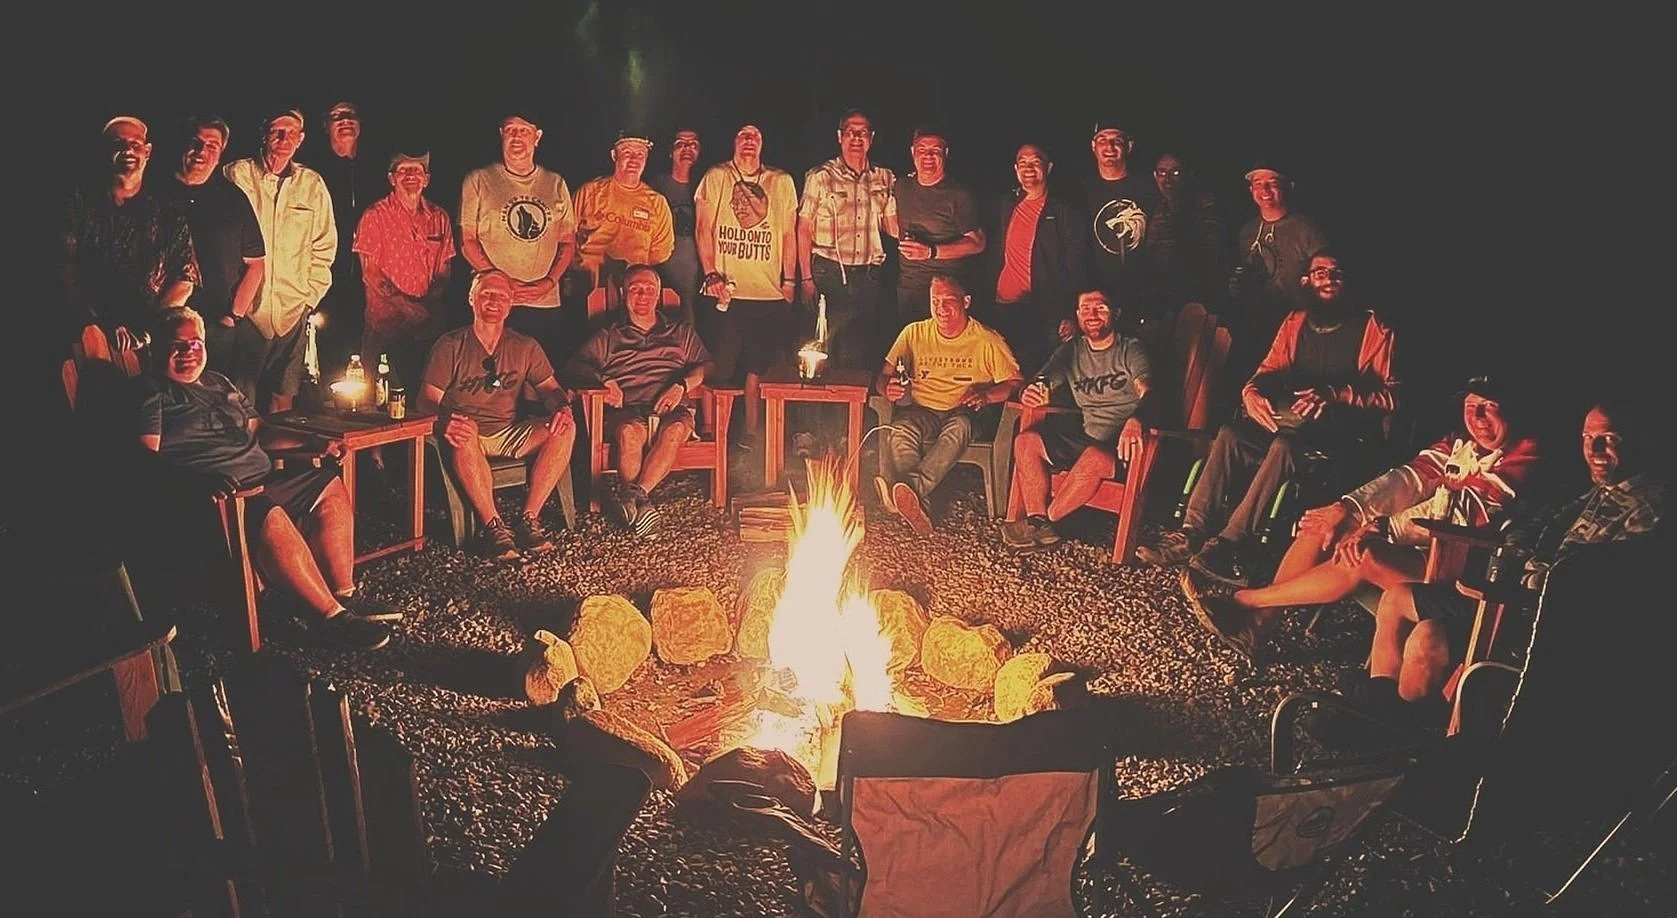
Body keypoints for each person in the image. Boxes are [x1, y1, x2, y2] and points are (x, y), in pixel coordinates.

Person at [1350, 399, 1663, 725]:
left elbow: (1606, 582)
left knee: (1427, 638)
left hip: (1542, 621)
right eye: (1587, 437)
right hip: (1511, 596)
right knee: (1396, 598)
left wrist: (1531, 578)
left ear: (1638, 439)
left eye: (1610, 439)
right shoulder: (1595, 491)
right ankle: (1378, 710)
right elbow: (1528, 529)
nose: (1594, 449)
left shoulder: (1650, 507)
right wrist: (1514, 560)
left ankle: (1400, 731)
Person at [1188, 375, 1543, 662]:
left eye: (1489, 408)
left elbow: (1468, 511)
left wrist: (1382, 528)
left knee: (1363, 555)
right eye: (1471, 407)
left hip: (1461, 574)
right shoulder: (1458, 444)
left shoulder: (1523, 455)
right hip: (1425, 550)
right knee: (1323, 526)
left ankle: (1248, 601)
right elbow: (1406, 480)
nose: (1478, 419)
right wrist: (1349, 509)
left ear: (1511, 410)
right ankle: (1259, 629)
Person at [132, 307, 399, 650]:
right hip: (215, 500)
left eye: (195, 344)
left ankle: (342, 593)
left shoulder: (220, 383)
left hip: (262, 482)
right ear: (158, 350)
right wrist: (195, 482)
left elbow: (260, 431)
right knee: (267, 511)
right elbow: (144, 459)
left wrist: (312, 443)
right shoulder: (150, 393)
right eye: (177, 346)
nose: (187, 353)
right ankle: (332, 619)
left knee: (328, 486)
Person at [1137, 251, 1399, 586]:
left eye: (1337, 273)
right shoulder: (1295, 322)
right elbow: (1268, 370)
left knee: (1283, 446)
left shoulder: (1373, 329)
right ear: (1306, 281)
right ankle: (1190, 533)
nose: (1329, 279)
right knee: (1231, 434)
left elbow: (1392, 397)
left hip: (1339, 435)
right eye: (1320, 273)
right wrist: (1252, 392)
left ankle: (1229, 543)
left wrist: (1338, 394)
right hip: (1291, 420)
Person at [420, 271, 578, 562]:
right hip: (467, 433)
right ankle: (494, 526)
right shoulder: (451, 346)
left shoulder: (524, 346)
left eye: (502, 296)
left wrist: (561, 408)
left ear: (511, 303)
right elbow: (427, 401)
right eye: (486, 294)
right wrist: (445, 422)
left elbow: (551, 390)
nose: (494, 301)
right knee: (466, 430)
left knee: (564, 428)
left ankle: (529, 519)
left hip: (509, 430)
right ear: (472, 299)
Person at [564, 265, 712, 534]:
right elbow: (575, 366)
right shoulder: (610, 335)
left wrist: (681, 385)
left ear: (658, 295)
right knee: (630, 432)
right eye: (636, 289)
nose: (643, 295)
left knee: (676, 429)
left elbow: (706, 367)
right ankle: (641, 506)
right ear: (623, 294)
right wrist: (605, 381)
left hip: (672, 408)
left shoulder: (680, 332)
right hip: (627, 410)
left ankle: (633, 498)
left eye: (649, 290)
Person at [1000, 290, 1150, 550]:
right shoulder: (1072, 350)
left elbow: (1151, 392)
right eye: (1085, 309)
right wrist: (1032, 391)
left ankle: (1048, 523)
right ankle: (1038, 522)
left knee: (1094, 457)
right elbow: (1043, 379)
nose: (1092, 315)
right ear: (1078, 316)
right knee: (1026, 441)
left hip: (1124, 446)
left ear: (1115, 314)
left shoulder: (1130, 350)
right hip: (1085, 436)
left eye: (1100, 308)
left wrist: (1137, 419)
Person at [875, 274, 1022, 536]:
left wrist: (986, 396)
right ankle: (920, 505)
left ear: (966, 302)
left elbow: (1015, 382)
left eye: (948, 301)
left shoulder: (986, 339)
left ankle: (911, 488)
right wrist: (887, 388)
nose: (941, 309)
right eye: (935, 301)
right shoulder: (914, 333)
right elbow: (883, 376)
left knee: (960, 425)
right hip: (923, 410)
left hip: (966, 411)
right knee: (900, 430)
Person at [225, 108, 337, 413]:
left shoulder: (311, 184)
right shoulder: (237, 175)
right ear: (264, 134)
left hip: (292, 309)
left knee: (283, 395)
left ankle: (279, 462)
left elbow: (324, 245)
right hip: (248, 310)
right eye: (277, 130)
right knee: (238, 398)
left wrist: (308, 297)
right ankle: (243, 459)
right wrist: (235, 303)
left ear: (300, 140)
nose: (284, 138)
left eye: (292, 132)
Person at [695, 124, 799, 448]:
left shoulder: (780, 181)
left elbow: (788, 235)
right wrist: (711, 273)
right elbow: (703, 227)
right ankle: (713, 436)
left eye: (755, 136)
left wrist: (790, 280)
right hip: (727, 290)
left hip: (768, 292)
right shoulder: (717, 176)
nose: (749, 141)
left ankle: (753, 435)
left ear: (763, 143)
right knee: (722, 366)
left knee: (760, 366)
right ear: (734, 142)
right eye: (743, 135)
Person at [60, 115, 198, 351]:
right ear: (103, 152)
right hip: (86, 336)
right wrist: (93, 325)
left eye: (135, 144)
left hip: (149, 342)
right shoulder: (78, 203)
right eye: (117, 144)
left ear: (148, 152)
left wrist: (147, 329)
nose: (127, 150)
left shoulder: (168, 211)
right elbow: (65, 265)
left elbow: (185, 278)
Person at [459, 111, 577, 365]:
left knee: (540, 380)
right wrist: (502, 284)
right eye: (511, 130)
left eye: (524, 131)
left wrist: (548, 283)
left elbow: (568, 242)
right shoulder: (479, 180)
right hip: (494, 302)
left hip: (543, 302)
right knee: (491, 378)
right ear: (501, 134)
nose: (516, 137)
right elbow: (467, 241)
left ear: (537, 137)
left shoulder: (555, 183)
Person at [163, 115, 265, 395]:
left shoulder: (233, 198)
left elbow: (256, 264)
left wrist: (233, 317)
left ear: (220, 154)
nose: (201, 151)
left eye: (212, 145)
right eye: (196, 143)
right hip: (165, 328)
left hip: (218, 327)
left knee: (221, 403)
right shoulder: (156, 193)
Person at [797, 109, 897, 370]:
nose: (856, 138)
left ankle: (852, 410)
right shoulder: (821, 176)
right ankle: (817, 410)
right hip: (828, 272)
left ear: (871, 138)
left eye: (862, 132)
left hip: (868, 275)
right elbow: (803, 228)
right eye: (851, 132)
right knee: (821, 347)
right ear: (840, 136)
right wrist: (806, 278)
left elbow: (893, 226)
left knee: (859, 349)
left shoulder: (885, 177)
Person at [352, 151, 455, 394]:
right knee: (378, 401)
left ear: (426, 179)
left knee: (425, 400)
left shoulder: (439, 218)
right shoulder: (374, 215)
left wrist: (426, 308)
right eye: (403, 170)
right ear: (391, 178)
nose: (411, 175)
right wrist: (407, 307)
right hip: (384, 328)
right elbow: (371, 272)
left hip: (428, 328)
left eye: (417, 170)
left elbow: (444, 270)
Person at [984, 143, 1089, 375]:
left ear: (1048, 167)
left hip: (1046, 312)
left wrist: (1071, 312)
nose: (1028, 168)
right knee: (1005, 376)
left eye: (1035, 162)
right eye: (1023, 163)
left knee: (1043, 378)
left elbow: (1076, 265)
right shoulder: (1005, 205)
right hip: (1005, 307)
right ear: (1015, 169)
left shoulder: (1063, 210)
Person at [1228, 162, 1327, 368]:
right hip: (1257, 330)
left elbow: (1327, 278)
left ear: (1287, 187)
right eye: (1258, 183)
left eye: (1272, 183)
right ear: (1251, 190)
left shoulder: (1306, 229)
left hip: (1298, 332)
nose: (1264, 190)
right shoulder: (1247, 231)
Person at [891, 126, 984, 324]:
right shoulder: (901, 186)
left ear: (946, 153)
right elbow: (893, 223)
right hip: (909, 288)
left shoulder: (958, 195)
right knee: (910, 350)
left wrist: (931, 251)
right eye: (922, 149)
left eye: (935, 150)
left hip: (946, 293)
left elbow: (978, 243)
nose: (928, 156)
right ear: (912, 152)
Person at [315, 101, 378, 371]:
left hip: (366, 278)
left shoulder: (375, 169)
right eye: (337, 115)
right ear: (325, 126)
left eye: (351, 115)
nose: (345, 120)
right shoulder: (314, 170)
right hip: (326, 277)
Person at [572, 130, 675, 293]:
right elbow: (565, 235)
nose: (634, 159)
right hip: (585, 288)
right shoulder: (590, 191)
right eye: (627, 152)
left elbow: (660, 253)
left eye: (640, 154)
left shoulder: (657, 203)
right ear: (614, 155)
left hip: (632, 292)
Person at [1081, 120, 1159, 331]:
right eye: (1103, 140)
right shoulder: (1080, 191)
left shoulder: (1150, 187)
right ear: (1093, 146)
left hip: (1147, 301)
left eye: (1117, 141)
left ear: (1129, 146)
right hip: (1101, 304)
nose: (1109, 147)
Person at [1142, 152, 1223, 320]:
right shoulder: (1158, 211)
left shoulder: (1206, 207)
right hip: (1165, 308)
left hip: (1202, 308)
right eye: (1162, 173)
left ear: (1189, 175)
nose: (1168, 180)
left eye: (1175, 173)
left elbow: (1212, 260)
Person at [650, 129, 702, 328]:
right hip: (666, 280)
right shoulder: (655, 187)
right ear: (671, 152)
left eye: (694, 144)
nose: (688, 148)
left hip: (700, 284)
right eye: (681, 143)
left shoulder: (709, 184)